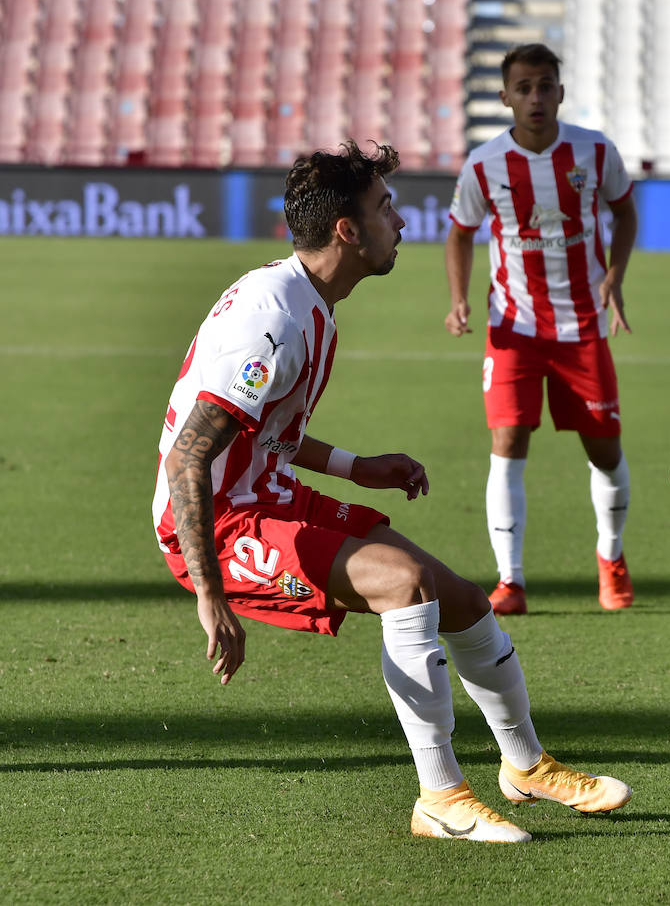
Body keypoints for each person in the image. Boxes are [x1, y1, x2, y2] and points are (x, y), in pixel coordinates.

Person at [152, 141, 631, 844]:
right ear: (346, 230)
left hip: (267, 493)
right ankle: (439, 796)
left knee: (464, 600)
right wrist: (208, 593)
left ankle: (526, 767)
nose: (401, 221)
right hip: (217, 526)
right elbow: (188, 460)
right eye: (385, 208)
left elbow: (265, 432)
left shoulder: (306, 300)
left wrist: (355, 465)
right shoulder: (272, 320)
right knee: (404, 586)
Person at [445, 43, 638, 616]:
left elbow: (625, 210)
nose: (535, 97)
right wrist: (458, 299)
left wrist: (616, 277)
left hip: (582, 327)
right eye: (523, 88)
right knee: (507, 445)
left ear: (560, 91)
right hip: (514, 327)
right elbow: (460, 232)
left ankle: (611, 556)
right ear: (504, 97)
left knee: (604, 452)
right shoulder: (483, 164)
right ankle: (510, 581)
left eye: (544, 85)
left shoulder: (596, 152)